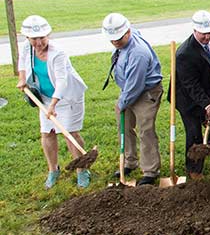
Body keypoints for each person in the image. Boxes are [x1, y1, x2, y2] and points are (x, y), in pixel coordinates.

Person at [16, 15, 90, 189]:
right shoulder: (27, 47)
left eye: (42, 37)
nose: (39, 42)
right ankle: (53, 170)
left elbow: (62, 81)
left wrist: (53, 105)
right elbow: (22, 62)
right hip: (46, 97)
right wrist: (22, 79)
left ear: (48, 34)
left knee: (70, 133)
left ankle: (82, 170)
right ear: (27, 38)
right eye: (34, 38)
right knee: (47, 132)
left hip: (67, 97)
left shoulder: (58, 53)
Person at [101, 12, 162, 186]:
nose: (115, 42)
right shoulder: (124, 38)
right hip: (129, 89)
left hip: (146, 93)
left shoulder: (139, 53)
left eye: (118, 39)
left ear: (127, 31)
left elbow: (136, 85)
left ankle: (150, 170)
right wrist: (123, 101)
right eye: (112, 40)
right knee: (124, 126)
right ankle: (129, 162)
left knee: (145, 130)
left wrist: (122, 103)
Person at [174, 10, 210, 181]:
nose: (207, 37)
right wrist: (207, 105)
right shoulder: (184, 53)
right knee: (194, 133)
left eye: (209, 32)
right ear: (194, 30)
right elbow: (190, 85)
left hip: (208, 90)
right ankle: (194, 169)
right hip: (187, 99)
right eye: (203, 34)